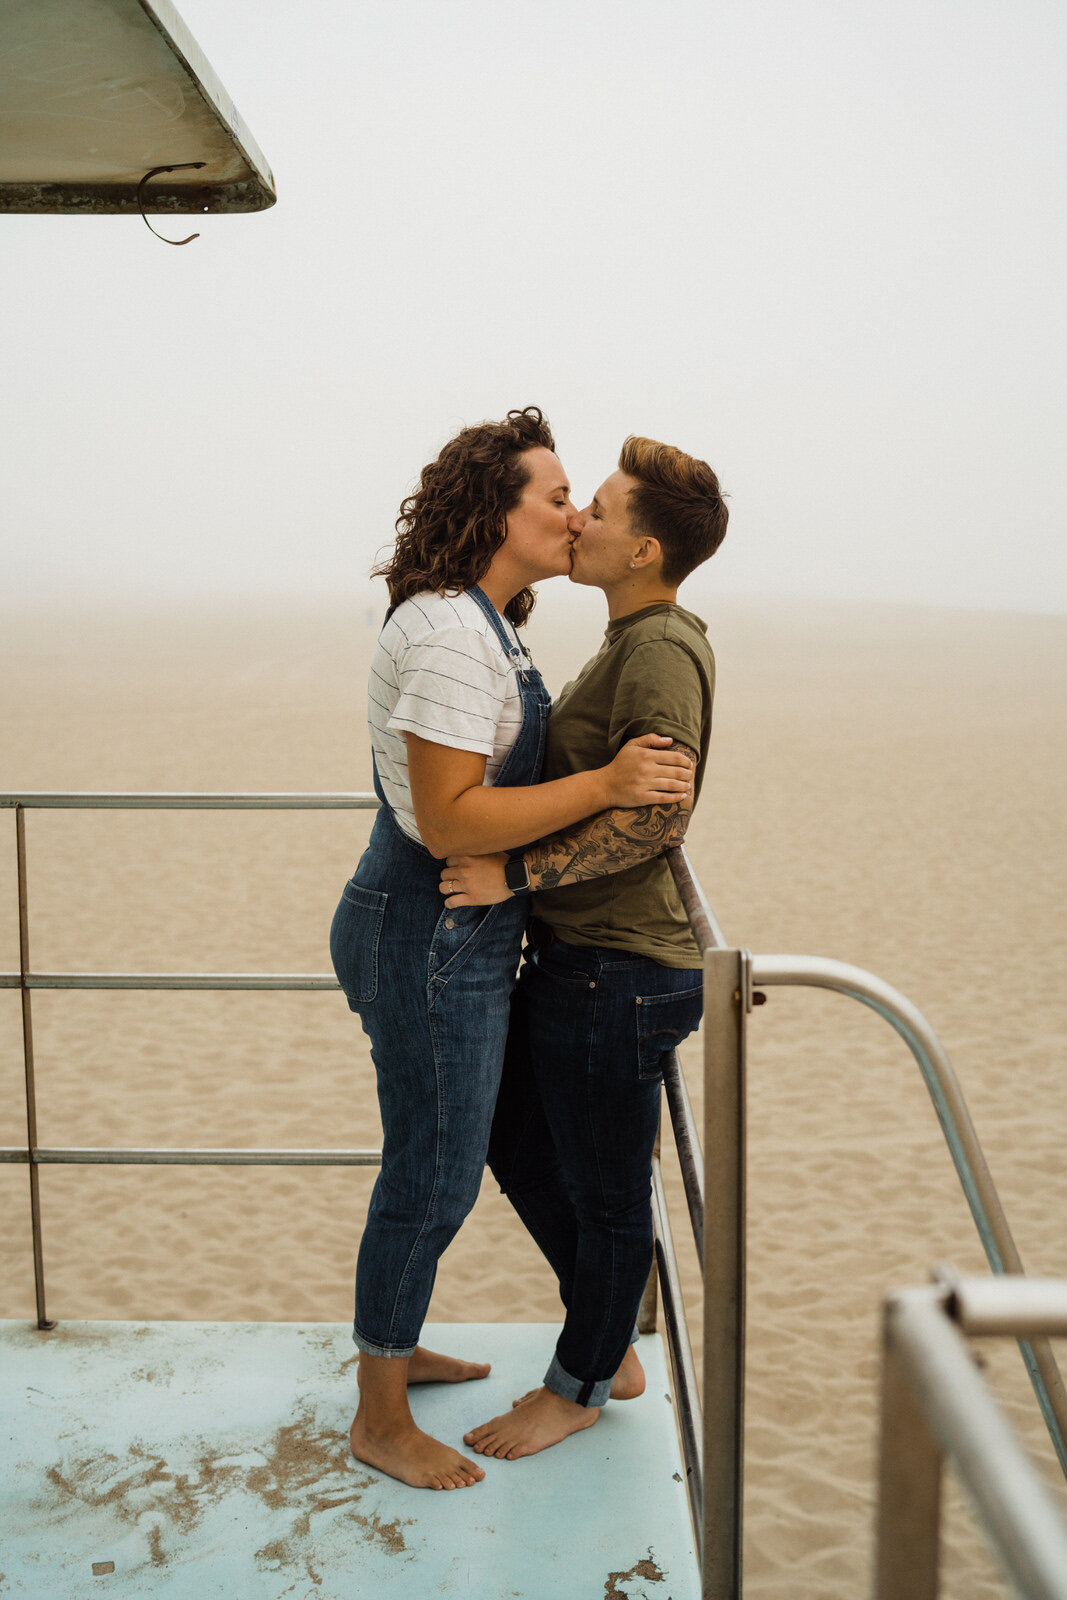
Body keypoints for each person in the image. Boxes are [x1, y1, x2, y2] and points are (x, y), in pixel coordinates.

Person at [329, 409, 694, 1491]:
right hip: (432, 926)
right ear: (495, 510)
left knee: (455, 1149)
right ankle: (379, 1414)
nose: (573, 512)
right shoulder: (449, 631)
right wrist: (608, 784)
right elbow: (448, 822)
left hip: (458, 929)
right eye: (553, 495)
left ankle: (401, 1351)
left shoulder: (485, 620)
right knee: (432, 1176)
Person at [436, 435, 728, 1460]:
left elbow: (657, 815)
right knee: (511, 1135)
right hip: (583, 962)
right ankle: (606, 1343)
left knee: (607, 1196)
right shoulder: (627, 637)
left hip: (620, 972)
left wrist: (511, 875)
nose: (578, 521)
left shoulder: (656, 648)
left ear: (641, 548)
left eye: (596, 509)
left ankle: (577, 1386)